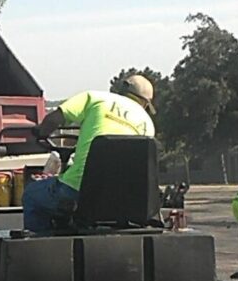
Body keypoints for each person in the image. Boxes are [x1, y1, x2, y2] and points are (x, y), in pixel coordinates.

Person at [21, 74, 156, 234]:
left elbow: (54, 119)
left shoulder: (95, 98)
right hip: (121, 199)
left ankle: (41, 246)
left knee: (31, 194)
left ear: (121, 91)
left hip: (77, 191)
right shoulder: (148, 124)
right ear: (145, 104)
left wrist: (40, 132)